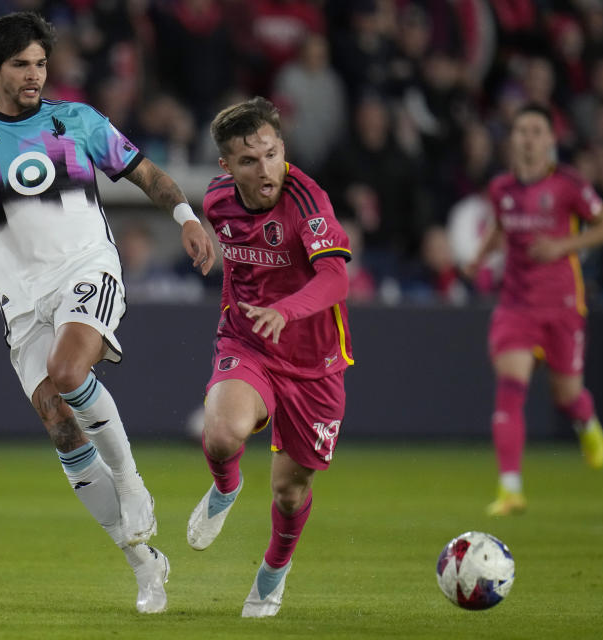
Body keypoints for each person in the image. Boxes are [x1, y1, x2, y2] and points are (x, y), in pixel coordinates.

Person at [0, 11, 215, 614]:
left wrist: (185, 217)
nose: (34, 75)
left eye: (41, 64)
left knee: (70, 372)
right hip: (21, 302)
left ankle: (133, 485)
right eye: (22, 64)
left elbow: (146, 173)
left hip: (86, 270)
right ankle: (144, 566)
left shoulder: (75, 119)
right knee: (59, 423)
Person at [187, 97, 353, 617]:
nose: (266, 170)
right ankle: (224, 488)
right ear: (226, 167)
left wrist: (286, 310)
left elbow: (335, 277)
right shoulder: (216, 201)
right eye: (249, 160)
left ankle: (272, 573)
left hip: (315, 363)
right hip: (248, 342)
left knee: (289, 489)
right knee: (222, 432)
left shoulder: (308, 201)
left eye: (273, 153)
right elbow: (228, 244)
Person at [467, 104, 603, 517]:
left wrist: (561, 246)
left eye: (536, 131)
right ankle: (510, 488)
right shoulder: (501, 189)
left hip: (564, 306)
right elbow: (500, 225)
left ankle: (586, 422)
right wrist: (479, 257)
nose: (528, 138)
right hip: (515, 304)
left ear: (551, 140)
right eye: (521, 131)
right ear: (512, 139)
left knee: (566, 394)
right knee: (510, 388)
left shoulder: (569, 184)